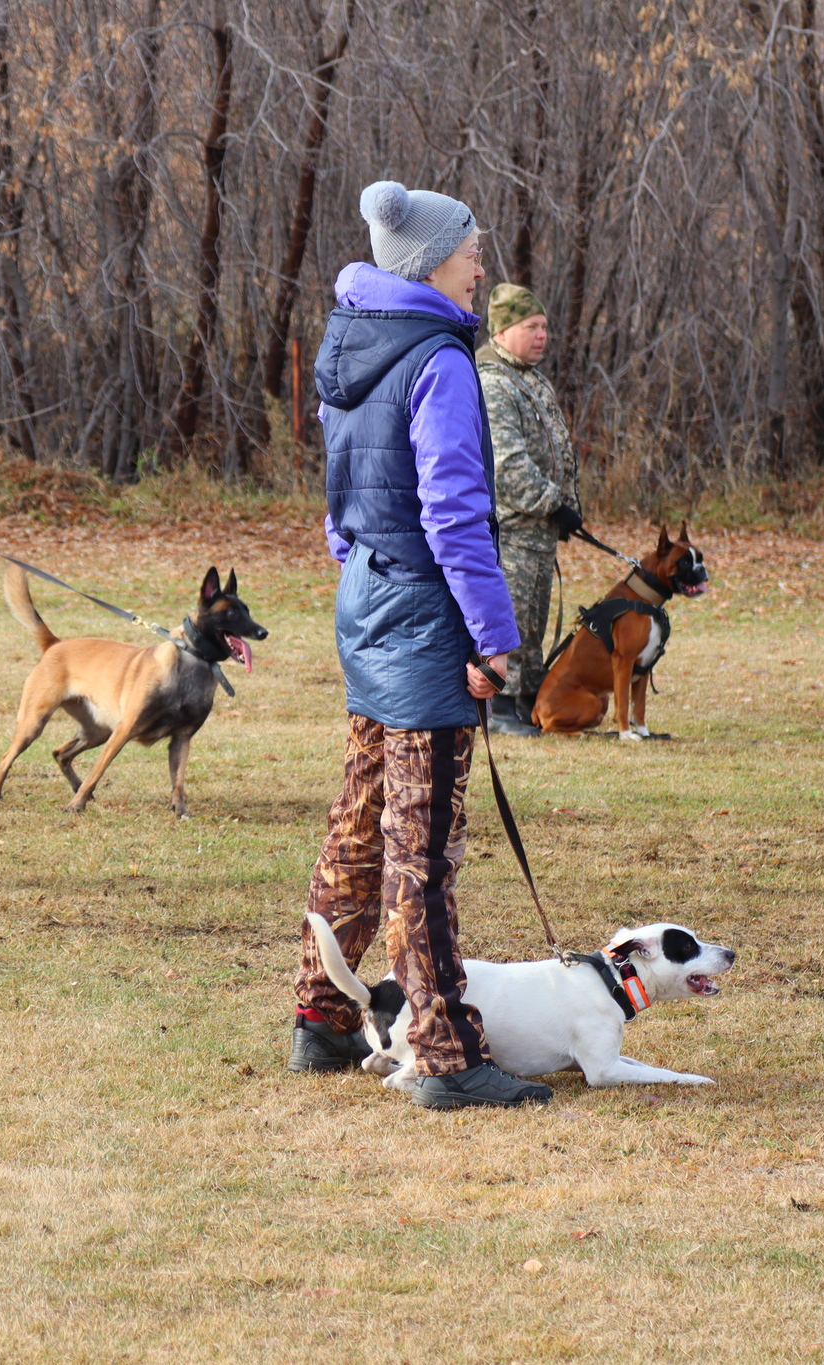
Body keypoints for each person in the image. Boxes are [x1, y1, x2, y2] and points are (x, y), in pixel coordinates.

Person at [287, 182, 552, 1109]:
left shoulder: (352, 338)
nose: (482, 264)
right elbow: (452, 510)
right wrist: (493, 636)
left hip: (366, 599)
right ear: (431, 259)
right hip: (427, 616)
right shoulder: (438, 357)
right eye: (472, 250)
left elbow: (339, 490)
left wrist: (358, 557)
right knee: (421, 842)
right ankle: (443, 1055)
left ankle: (319, 1021)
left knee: (361, 820)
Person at [475, 282, 582, 736]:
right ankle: (499, 708)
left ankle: (524, 702)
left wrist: (566, 507)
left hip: (538, 532)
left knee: (535, 621)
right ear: (502, 331)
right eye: (530, 326)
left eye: (544, 327)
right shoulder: (494, 383)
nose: (541, 335)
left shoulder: (530, 378)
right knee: (512, 620)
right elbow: (508, 462)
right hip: (513, 529)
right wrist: (553, 504)